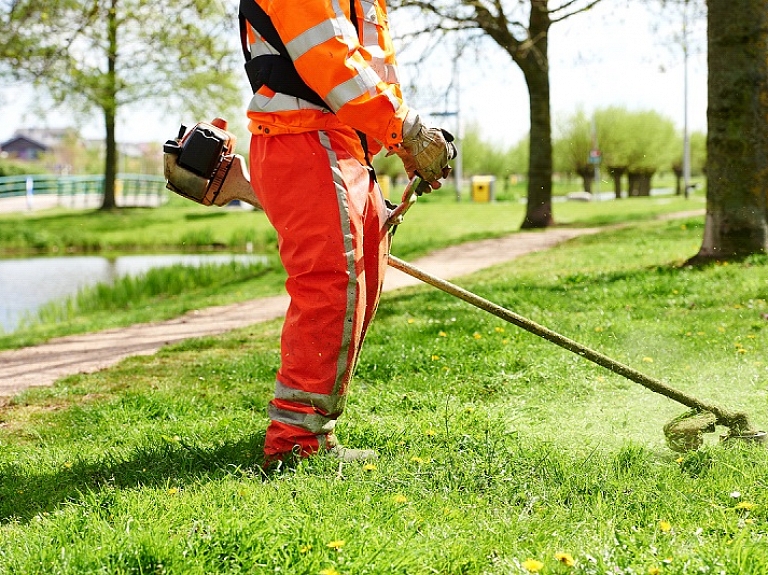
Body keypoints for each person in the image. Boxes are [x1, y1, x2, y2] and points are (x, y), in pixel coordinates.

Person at [239, 0, 455, 464]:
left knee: (362, 280)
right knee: (333, 287)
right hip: (303, 134)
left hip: (343, 141)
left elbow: (370, 65)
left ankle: (309, 426)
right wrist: (408, 130)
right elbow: (329, 55)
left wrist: (399, 141)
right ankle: (296, 443)